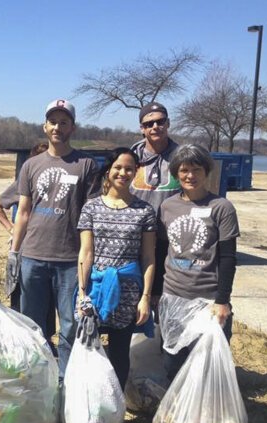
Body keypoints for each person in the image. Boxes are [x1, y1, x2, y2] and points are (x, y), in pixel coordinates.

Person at [8, 99, 101, 378]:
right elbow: (23, 212)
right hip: (33, 257)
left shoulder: (86, 165)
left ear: (72, 127)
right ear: (44, 126)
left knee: (70, 326)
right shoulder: (31, 165)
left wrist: (88, 258)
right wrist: (15, 253)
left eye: (64, 121)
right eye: (53, 121)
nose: (57, 127)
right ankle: (37, 382)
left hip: (70, 262)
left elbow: (91, 216)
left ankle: (64, 384)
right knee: (32, 325)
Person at [155, 144, 239, 380]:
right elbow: (162, 248)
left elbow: (228, 258)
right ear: (175, 173)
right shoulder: (168, 206)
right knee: (172, 362)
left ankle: (203, 414)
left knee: (206, 366)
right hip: (173, 296)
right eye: (184, 170)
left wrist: (222, 300)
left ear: (206, 171)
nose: (190, 176)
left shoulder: (221, 208)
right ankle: (178, 411)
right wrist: (155, 293)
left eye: (196, 169)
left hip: (208, 299)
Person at [76, 148, 156, 390]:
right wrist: (82, 293)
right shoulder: (91, 208)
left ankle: (114, 404)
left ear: (136, 172)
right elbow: (86, 252)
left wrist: (145, 299)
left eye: (129, 168)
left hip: (128, 292)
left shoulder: (145, 211)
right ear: (108, 170)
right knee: (89, 348)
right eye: (118, 167)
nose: (123, 172)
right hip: (96, 288)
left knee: (120, 354)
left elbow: (149, 257)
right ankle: (88, 400)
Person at [0, 141, 48, 312]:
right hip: (24, 249)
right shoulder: (24, 182)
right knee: (21, 297)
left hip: (48, 251)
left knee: (45, 301)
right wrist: (11, 228)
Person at [130, 102, 181, 213]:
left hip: (171, 227)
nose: (155, 127)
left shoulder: (182, 158)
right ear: (142, 128)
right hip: (137, 226)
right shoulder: (129, 159)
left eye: (160, 121)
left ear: (168, 123)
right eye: (149, 124)